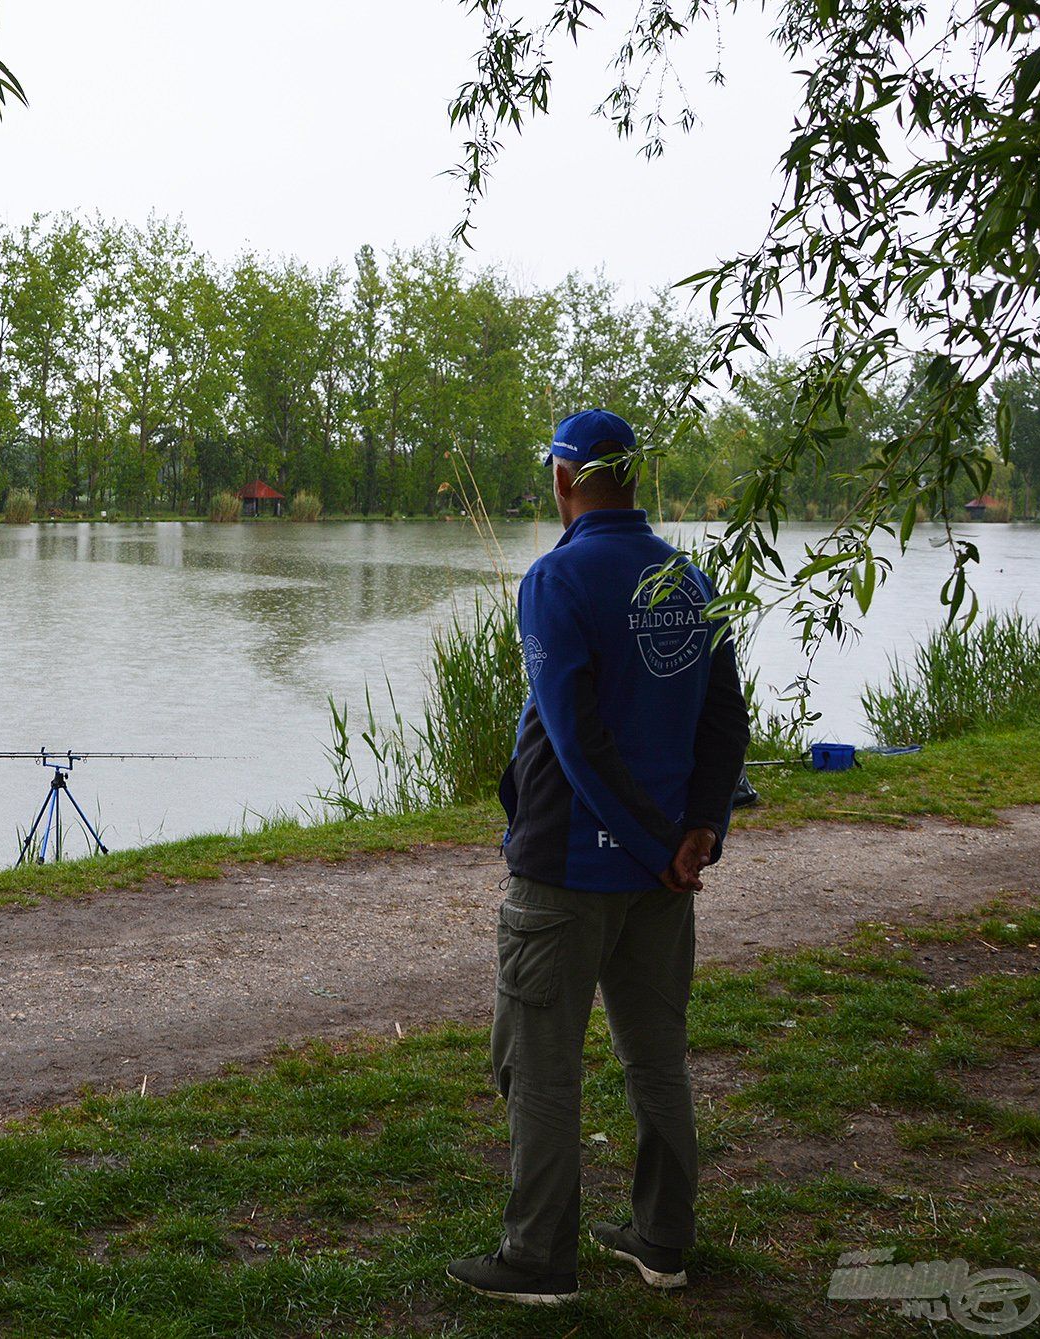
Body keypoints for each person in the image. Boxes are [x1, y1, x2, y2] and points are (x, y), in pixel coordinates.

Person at [447, 408, 752, 1306]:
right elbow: (726, 719)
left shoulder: (555, 579)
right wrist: (698, 831)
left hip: (567, 870)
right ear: (636, 479)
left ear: (563, 480)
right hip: (666, 876)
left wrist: (661, 841)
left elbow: (575, 739)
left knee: (537, 1059)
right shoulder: (690, 577)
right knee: (656, 1055)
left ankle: (539, 1256)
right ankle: (663, 1239)